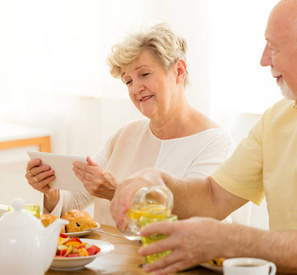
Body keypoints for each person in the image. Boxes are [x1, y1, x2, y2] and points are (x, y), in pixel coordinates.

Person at [111, 0, 297, 275]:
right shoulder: (277, 118)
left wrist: (228, 239)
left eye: (273, 48)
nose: (263, 60)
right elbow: (214, 198)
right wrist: (158, 180)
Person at [25, 23, 234, 225]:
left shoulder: (214, 142)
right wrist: (52, 191)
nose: (136, 88)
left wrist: (116, 191)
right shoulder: (125, 135)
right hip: (107, 259)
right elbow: (74, 202)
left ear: (179, 71)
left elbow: (196, 221)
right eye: (128, 81)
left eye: (144, 74)